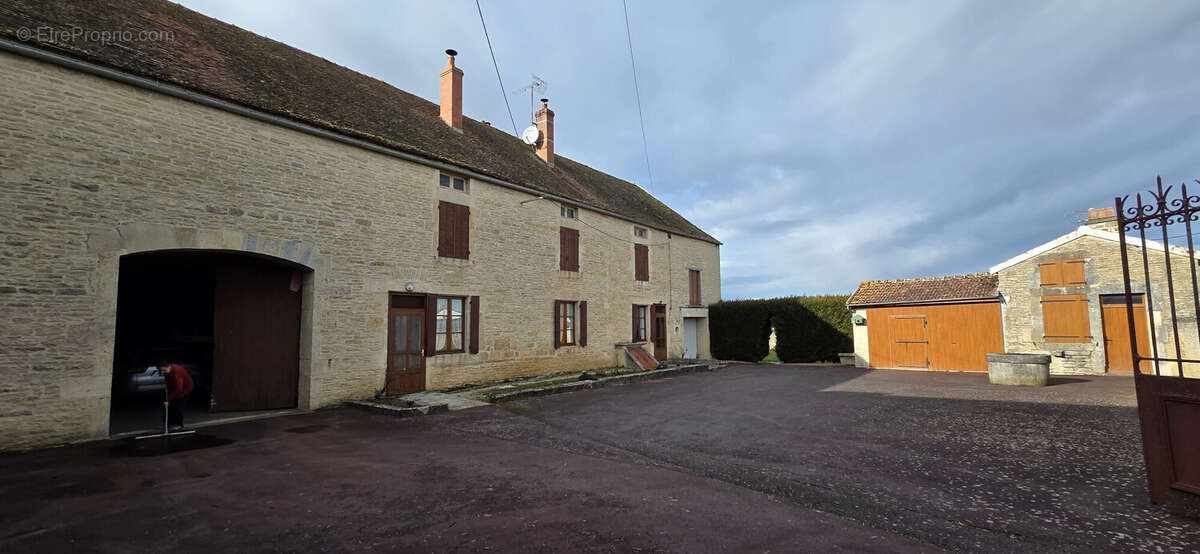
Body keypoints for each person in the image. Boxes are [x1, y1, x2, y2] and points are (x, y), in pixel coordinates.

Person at [159, 362, 194, 429]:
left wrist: (169, 399)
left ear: (169, 367)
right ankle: (169, 423)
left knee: (178, 405)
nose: (163, 372)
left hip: (185, 388)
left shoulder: (176, 373)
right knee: (169, 405)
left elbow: (178, 389)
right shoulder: (167, 371)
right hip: (175, 388)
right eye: (161, 370)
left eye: (164, 370)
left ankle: (179, 424)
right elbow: (168, 381)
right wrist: (168, 396)